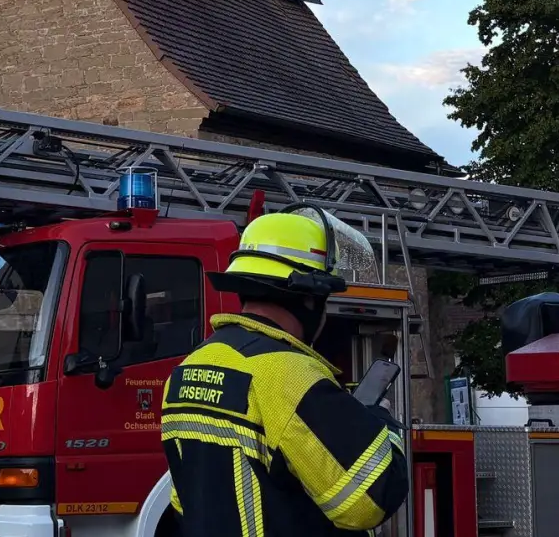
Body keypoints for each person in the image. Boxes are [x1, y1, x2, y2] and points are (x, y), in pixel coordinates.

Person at [161, 206, 409, 536]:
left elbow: (183, 501)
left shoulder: (188, 369)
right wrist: (381, 421)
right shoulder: (290, 375)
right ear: (309, 299)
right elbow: (371, 500)